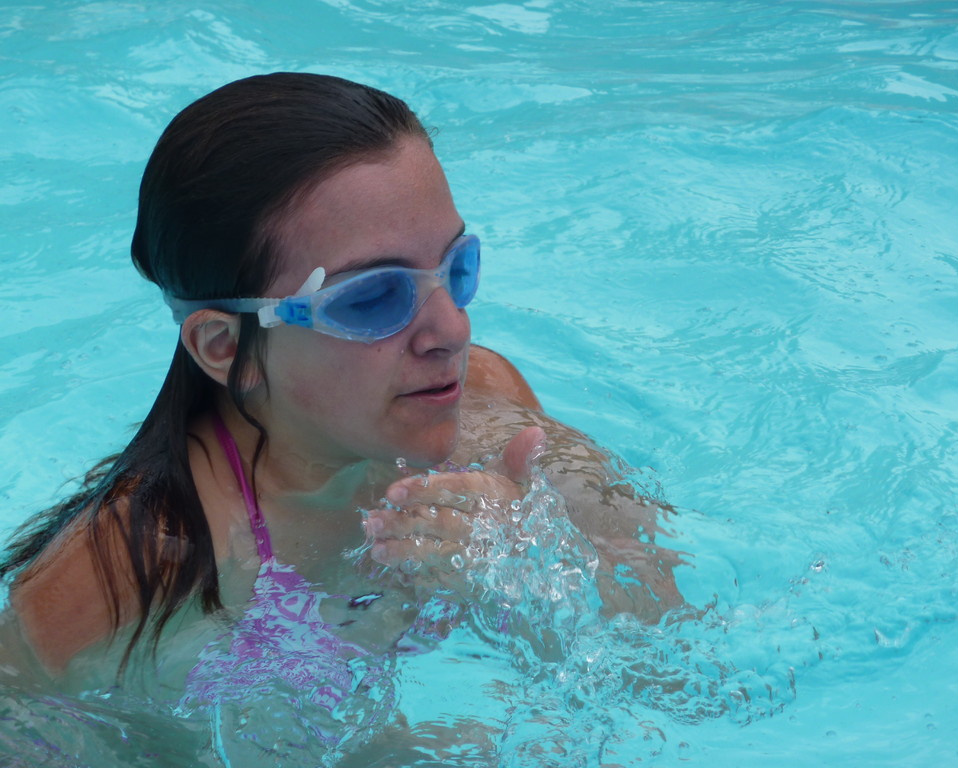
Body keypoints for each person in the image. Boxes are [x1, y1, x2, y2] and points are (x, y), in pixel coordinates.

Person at [0, 73, 681, 696]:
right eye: (373, 298)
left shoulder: (485, 403)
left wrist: (524, 562)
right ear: (226, 347)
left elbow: (674, 635)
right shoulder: (130, 565)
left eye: (457, 268)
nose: (451, 329)